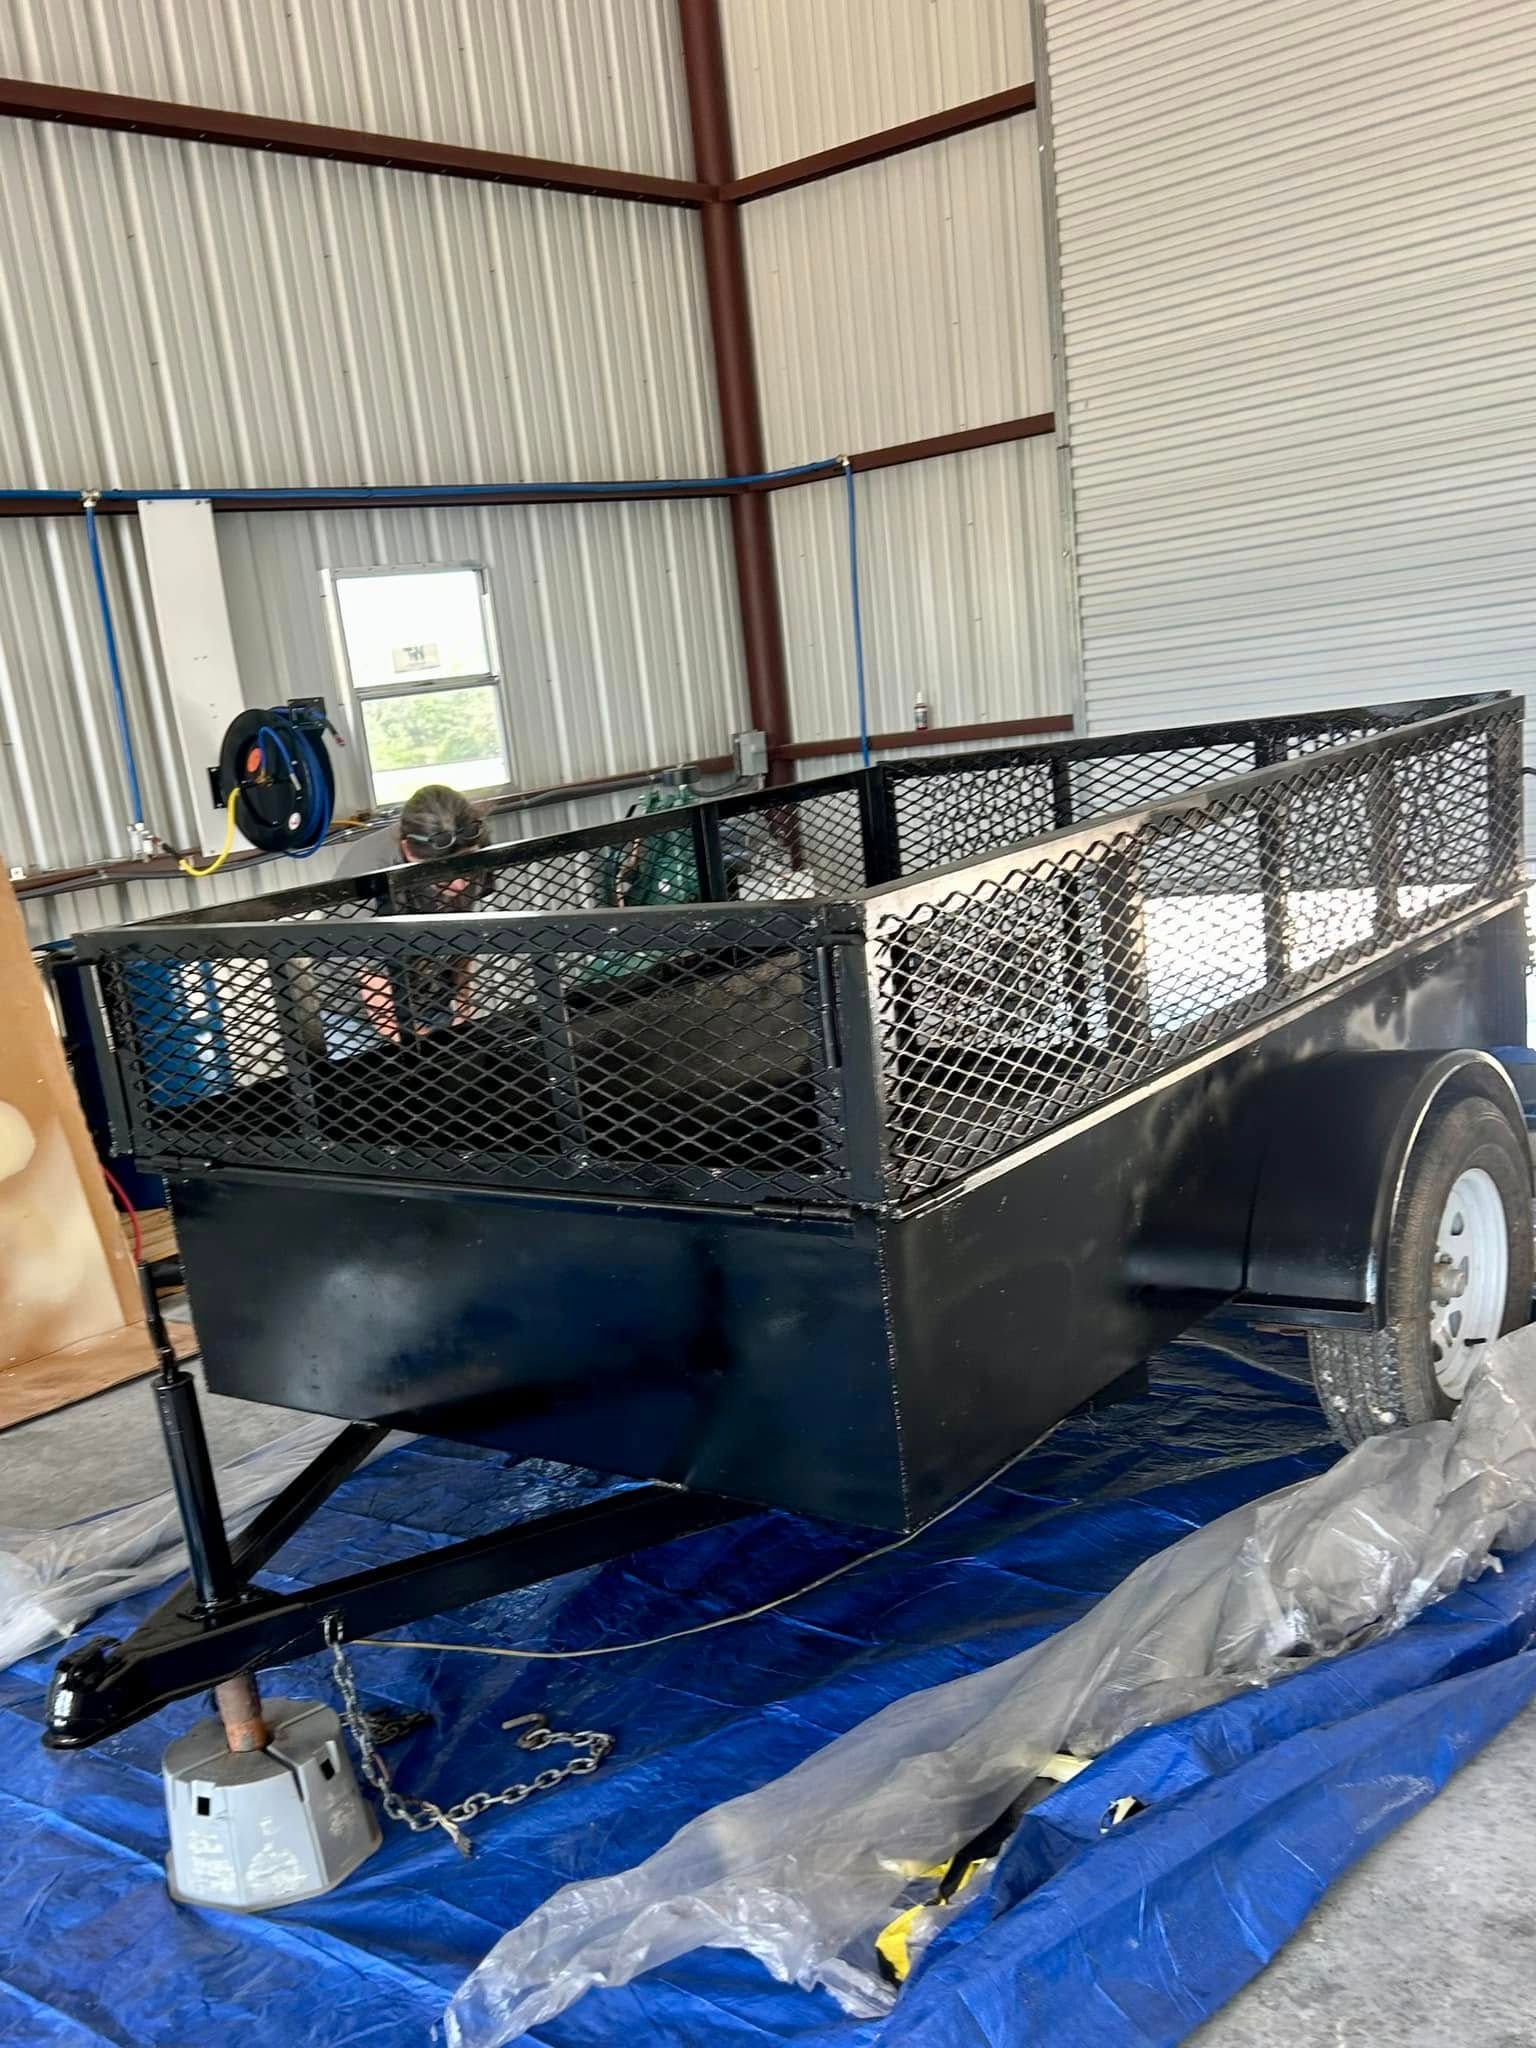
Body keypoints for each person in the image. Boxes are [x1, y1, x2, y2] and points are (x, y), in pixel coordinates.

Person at [322, 785, 490, 1056]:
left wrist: (463, 1007)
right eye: (443, 875)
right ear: (408, 851)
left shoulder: (472, 842)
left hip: (429, 996)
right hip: (353, 1013)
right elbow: (378, 996)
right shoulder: (367, 874)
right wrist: (432, 1052)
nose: (460, 885)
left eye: (466, 867)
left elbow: (461, 932)